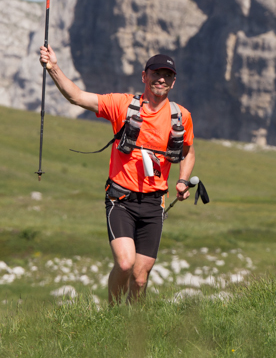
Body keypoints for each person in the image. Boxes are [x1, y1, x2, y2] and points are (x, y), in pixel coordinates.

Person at [39, 46, 196, 304]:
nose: (161, 79)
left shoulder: (181, 116)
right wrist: (53, 67)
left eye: (167, 75)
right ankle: (112, 316)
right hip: (120, 199)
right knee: (124, 264)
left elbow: (188, 152)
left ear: (174, 81)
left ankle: (134, 326)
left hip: (154, 202)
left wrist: (182, 180)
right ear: (144, 76)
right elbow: (77, 97)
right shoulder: (122, 105)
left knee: (140, 277)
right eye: (156, 73)